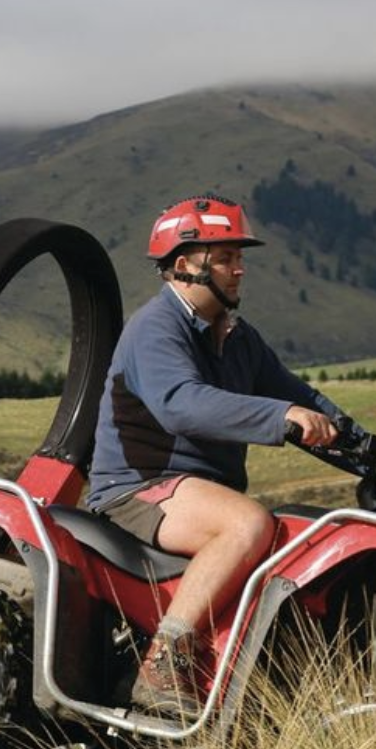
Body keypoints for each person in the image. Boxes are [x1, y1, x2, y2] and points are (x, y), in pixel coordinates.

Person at [86, 194, 346, 717]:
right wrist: (281, 418)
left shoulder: (237, 336)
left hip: (194, 494)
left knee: (307, 538)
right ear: (185, 265)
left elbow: (303, 398)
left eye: (239, 257)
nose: (239, 268)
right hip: (139, 487)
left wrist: (374, 449)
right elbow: (180, 405)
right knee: (247, 525)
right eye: (225, 257)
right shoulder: (155, 328)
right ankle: (165, 661)